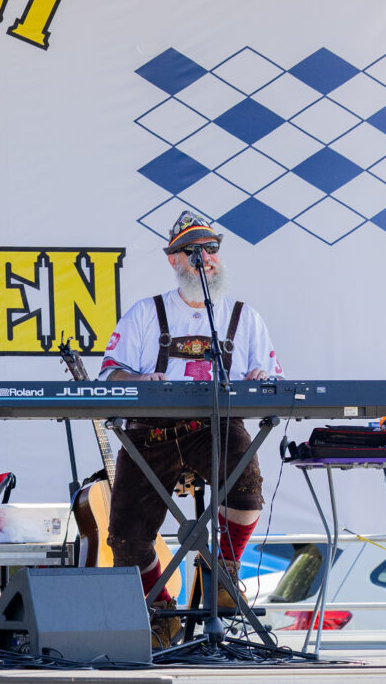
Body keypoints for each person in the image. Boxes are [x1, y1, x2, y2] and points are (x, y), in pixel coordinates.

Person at [99, 209, 281, 644]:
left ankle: (221, 572)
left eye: (211, 248)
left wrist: (262, 381)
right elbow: (108, 375)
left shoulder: (243, 317)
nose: (205, 258)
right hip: (151, 432)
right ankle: (160, 611)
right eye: (192, 250)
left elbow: (274, 378)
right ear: (173, 260)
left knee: (248, 492)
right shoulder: (146, 314)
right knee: (125, 537)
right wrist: (139, 380)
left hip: (214, 428)